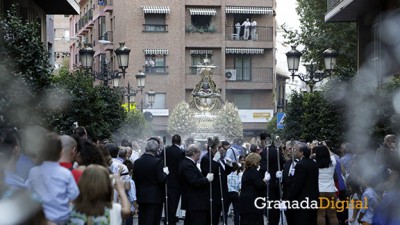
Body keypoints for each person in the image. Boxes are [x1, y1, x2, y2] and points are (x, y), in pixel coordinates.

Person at [26, 132, 80, 224]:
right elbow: (74, 194)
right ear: (60, 152)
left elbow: (26, 190)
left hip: (41, 219)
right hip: (62, 219)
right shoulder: (65, 173)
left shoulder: (33, 172)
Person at [132, 139, 168, 225]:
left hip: (141, 195)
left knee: (143, 219)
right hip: (155, 197)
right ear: (156, 150)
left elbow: (135, 179)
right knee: (153, 220)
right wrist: (165, 173)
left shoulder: (137, 162)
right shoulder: (157, 162)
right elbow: (161, 179)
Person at [201, 136, 235, 225]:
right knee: (212, 218)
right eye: (219, 147)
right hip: (213, 193)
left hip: (222, 192)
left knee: (218, 217)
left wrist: (229, 165)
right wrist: (215, 161)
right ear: (213, 148)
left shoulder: (220, 157)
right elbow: (209, 173)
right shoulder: (206, 158)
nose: (222, 149)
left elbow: (223, 173)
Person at [179, 144, 213, 225]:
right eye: (199, 153)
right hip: (195, 202)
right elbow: (194, 182)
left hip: (195, 202)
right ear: (194, 153)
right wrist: (206, 179)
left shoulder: (187, 163)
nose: (200, 155)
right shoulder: (187, 165)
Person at [286, 143, 319, 225]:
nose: (295, 152)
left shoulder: (300, 165)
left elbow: (297, 184)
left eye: (297, 150)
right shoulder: (314, 163)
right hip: (313, 197)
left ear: (301, 153)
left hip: (302, 198)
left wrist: (289, 197)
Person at [258, 132, 284, 225]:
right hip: (277, 182)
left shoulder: (265, 152)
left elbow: (264, 168)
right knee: (275, 206)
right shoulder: (277, 150)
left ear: (264, 140)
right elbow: (282, 163)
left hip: (268, 183)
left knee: (268, 206)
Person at [160, 134, 185, 225]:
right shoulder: (181, 152)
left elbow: (161, 163)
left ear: (172, 141)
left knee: (167, 203)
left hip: (166, 180)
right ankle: (170, 221)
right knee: (173, 203)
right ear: (180, 141)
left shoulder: (166, 150)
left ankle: (168, 219)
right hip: (176, 182)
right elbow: (181, 168)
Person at [239, 153, 267, 225]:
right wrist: (265, 180)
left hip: (245, 203)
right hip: (252, 204)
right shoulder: (253, 172)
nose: (259, 163)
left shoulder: (247, 172)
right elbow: (260, 185)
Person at [314, 144, 339, 225]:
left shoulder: (314, 164)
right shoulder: (333, 162)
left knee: (321, 215)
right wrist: (326, 146)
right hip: (331, 191)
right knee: (332, 216)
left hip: (319, 191)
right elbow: (331, 154)